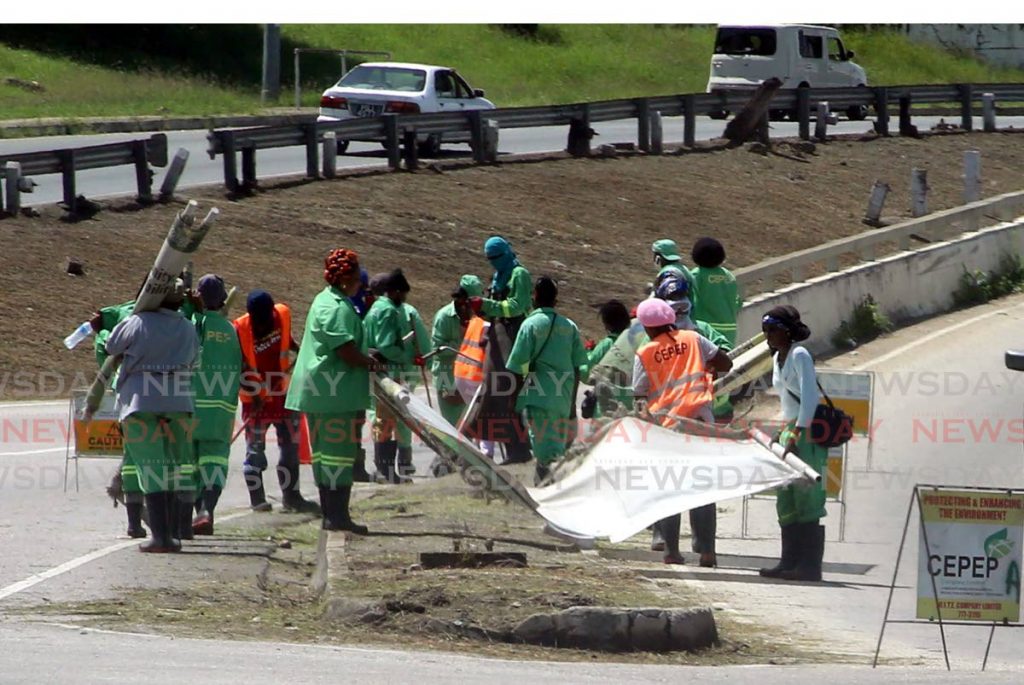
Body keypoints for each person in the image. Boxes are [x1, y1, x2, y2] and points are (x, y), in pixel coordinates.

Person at [285, 248, 380, 533]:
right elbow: (346, 352)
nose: (359, 284)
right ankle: (338, 517)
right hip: (332, 394)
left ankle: (331, 516)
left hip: (320, 393)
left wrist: (365, 353)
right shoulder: (337, 307)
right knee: (339, 456)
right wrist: (371, 364)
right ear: (345, 279)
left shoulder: (327, 300)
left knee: (324, 456)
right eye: (356, 278)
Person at [632, 298, 732, 566]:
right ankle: (708, 552)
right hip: (700, 420)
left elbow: (640, 395)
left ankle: (672, 552)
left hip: (667, 426)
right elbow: (726, 363)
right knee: (702, 487)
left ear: (647, 327)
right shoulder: (692, 338)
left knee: (670, 488)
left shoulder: (645, 352)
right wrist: (706, 368)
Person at [104, 280, 199, 553]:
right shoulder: (187, 327)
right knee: (171, 466)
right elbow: (193, 360)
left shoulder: (136, 322)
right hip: (178, 401)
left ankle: (161, 537)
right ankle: (172, 533)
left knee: (151, 467)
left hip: (140, 402)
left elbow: (111, 347)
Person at [758, 305, 827, 582]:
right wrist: (783, 432)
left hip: (806, 430)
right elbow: (786, 401)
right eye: (765, 330)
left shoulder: (800, 355)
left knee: (806, 496)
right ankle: (788, 562)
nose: (768, 335)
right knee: (786, 497)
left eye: (772, 329)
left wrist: (797, 432)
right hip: (789, 428)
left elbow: (810, 397)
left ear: (787, 331)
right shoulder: (778, 358)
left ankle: (809, 566)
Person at [234, 291, 319, 514]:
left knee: (290, 448)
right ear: (251, 316)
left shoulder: (281, 316)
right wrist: (256, 395)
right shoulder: (240, 329)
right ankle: (257, 500)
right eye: (259, 322)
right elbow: (240, 366)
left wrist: (301, 351)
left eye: (267, 320)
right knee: (255, 452)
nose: (264, 325)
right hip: (255, 402)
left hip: (283, 397)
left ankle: (292, 497)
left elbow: (287, 341)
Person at [506, 276, 588, 485]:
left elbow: (516, 367)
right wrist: (571, 404)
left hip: (539, 397)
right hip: (564, 398)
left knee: (546, 455)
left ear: (534, 297)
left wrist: (512, 401)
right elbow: (578, 366)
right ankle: (552, 493)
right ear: (555, 299)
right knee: (558, 449)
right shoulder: (570, 327)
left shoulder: (530, 325)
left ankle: (550, 499)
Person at [464, 236, 534, 464]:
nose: (494, 262)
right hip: (496, 334)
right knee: (495, 390)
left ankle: (517, 448)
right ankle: (513, 447)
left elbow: (517, 306)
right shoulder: (497, 275)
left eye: (497, 257)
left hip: (514, 337)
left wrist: (487, 305)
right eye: (489, 259)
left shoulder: (519, 274)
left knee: (505, 390)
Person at [189, 275, 242, 536]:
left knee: (188, 463)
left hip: (190, 406)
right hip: (221, 411)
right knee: (214, 463)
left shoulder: (192, 324)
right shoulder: (231, 330)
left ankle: (189, 514)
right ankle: (206, 511)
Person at [364, 268, 421, 483]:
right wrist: (406, 355)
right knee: (387, 421)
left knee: (383, 420)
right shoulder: (388, 311)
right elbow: (387, 346)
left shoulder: (376, 308)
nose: (404, 299)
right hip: (386, 371)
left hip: (375, 370)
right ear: (396, 292)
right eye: (403, 295)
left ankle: (385, 471)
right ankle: (386, 472)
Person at [432, 275, 483, 427]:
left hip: (471, 380)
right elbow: (437, 349)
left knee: (469, 430)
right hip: (448, 379)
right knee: (453, 429)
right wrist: (461, 340)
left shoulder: (478, 318)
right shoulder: (444, 317)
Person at [579, 300, 633, 419]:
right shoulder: (635, 343)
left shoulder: (606, 344)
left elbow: (586, 373)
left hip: (606, 407)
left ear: (607, 324)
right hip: (631, 408)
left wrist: (588, 352)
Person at [690, 237, 742, 347]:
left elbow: (689, 298)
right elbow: (738, 302)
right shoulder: (728, 275)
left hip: (706, 328)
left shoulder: (696, 275)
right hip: (729, 328)